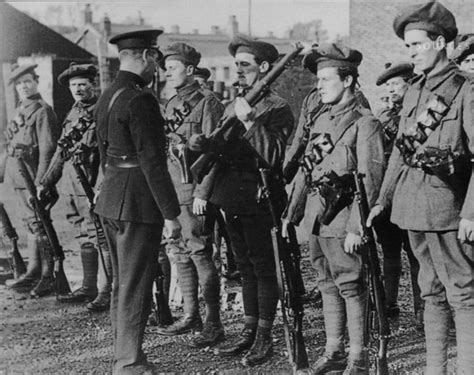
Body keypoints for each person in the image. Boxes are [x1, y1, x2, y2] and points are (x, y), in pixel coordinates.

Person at [367, 2, 474, 374]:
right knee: (430, 292)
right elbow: (401, 151)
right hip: (413, 207)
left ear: (440, 42)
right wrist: (383, 199)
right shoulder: (414, 90)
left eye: (416, 45)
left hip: (448, 208)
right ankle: (434, 369)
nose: (410, 52)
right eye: (408, 46)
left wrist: (471, 212)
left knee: (462, 293)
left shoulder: (465, 89)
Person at [282, 43, 385, 374]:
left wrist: (358, 227)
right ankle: (334, 351)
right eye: (318, 80)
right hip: (316, 215)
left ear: (349, 81)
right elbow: (305, 171)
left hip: (343, 216)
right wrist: (291, 214)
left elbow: (370, 179)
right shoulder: (321, 118)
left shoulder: (365, 122)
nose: (320, 86)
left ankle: (359, 357)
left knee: (352, 285)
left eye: (327, 79)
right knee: (326, 283)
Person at [195, 34, 294, 366]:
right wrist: (202, 145)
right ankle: (249, 330)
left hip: (259, 193)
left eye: (244, 65)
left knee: (264, 267)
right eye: (235, 65)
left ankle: (265, 335)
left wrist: (250, 120)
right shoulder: (231, 104)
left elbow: (276, 156)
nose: (238, 71)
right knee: (245, 266)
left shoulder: (277, 108)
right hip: (231, 195)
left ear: (264, 68)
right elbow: (223, 150)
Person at [94, 29, 181, 374]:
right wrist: (171, 213)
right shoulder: (141, 99)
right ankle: (129, 363)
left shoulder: (109, 94)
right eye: (156, 58)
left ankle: (125, 355)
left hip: (112, 198)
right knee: (136, 285)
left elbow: (103, 152)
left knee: (121, 284)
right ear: (145, 56)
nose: (156, 66)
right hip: (138, 205)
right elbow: (152, 161)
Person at [155, 42, 224, 348]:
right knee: (178, 249)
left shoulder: (208, 102)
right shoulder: (171, 103)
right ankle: (191, 314)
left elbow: (216, 152)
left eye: (173, 67)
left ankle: (213, 323)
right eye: (166, 67)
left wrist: (203, 192)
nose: (167, 72)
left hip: (193, 190)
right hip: (173, 188)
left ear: (190, 69)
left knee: (199, 251)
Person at [38, 63, 112, 311]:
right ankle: (89, 286)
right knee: (82, 233)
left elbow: (108, 153)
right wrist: (46, 181)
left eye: (83, 84)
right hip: (72, 182)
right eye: (73, 85)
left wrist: (102, 186)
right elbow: (61, 150)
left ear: (93, 84)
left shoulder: (103, 111)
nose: (78, 89)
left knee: (99, 236)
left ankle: (106, 289)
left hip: (91, 183)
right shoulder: (73, 113)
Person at [5, 64, 60, 298]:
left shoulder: (42, 111)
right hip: (17, 176)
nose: (23, 87)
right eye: (19, 83)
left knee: (40, 223)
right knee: (29, 223)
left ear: (36, 81)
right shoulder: (20, 110)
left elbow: (48, 149)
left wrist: (41, 182)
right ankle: (33, 271)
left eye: (27, 81)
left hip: (33, 177)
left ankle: (49, 276)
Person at [374, 62, 423, 322]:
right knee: (389, 251)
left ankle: (421, 310)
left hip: (410, 194)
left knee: (416, 254)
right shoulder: (383, 115)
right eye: (388, 86)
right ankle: (388, 304)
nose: (391, 90)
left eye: (395, 84)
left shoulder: (419, 113)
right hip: (387, 193)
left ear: (409, 83)